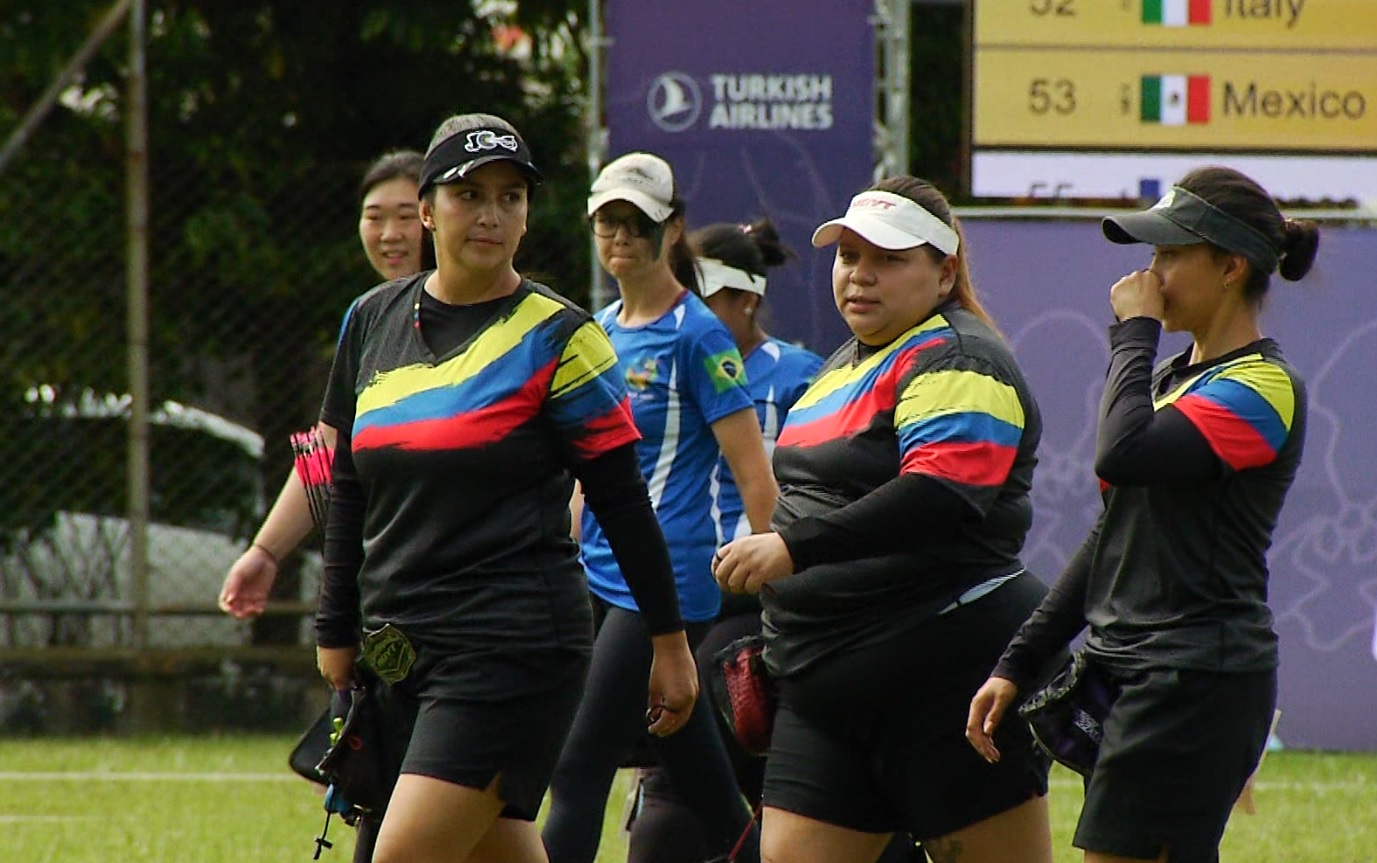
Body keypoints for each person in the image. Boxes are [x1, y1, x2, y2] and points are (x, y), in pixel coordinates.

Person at [314, 114, 698, 863]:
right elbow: (348, 482)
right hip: (397, 644)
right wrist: (336, 624)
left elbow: (621, 502)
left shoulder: (560, 335)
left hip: (512, 644)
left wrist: (670, 643)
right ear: (426, 209)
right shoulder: (371, 319)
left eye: (511, 196)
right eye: (468, 194)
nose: (491, 213)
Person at [968, 166, 1318, 863]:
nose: (1148, 274)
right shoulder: (1174, 379)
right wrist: (1020, 660)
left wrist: (1134, 330)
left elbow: (1121, 452)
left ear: (1229, 266)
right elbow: (1113, 534)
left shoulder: (1260, 386)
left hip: (1192, 677)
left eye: (1167, 254)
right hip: (1140, 671)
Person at [713, 176, 1054, 863]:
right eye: (848, 257)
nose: (859, 276)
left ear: (943, 270)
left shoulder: (959, 355)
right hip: (826, 693)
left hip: (943, 682)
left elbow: (940, 492)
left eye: (888, 259)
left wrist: (790, 548)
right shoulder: (843, 362)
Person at [542, 153, 777, 863]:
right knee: (702, 780)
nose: (619, 237)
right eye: (607, 222)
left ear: (672, 229)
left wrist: (784, 586)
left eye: (636, 223)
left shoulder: (697, 333)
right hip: (599, 576)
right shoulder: (600, 328)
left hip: (664, 582)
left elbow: (753, 475)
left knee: (576, 765)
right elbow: (594, 471)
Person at [626, 218, 828, 863]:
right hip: (669, 588)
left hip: (757, 599)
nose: (683, 303)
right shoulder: (654, 362)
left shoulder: (800, 376)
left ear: (747, 299)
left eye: (702, 291)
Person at [218, 149, 432, 619]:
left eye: (405, 217)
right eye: (374, 217)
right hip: (382, 572)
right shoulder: (364, 318)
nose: (390, 234)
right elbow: (328, 446)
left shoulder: (484, 315)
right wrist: (267, 550)